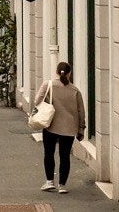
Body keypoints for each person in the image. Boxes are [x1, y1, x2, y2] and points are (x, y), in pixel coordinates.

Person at [35, 62, 86, 194]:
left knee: (49, 153)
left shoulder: (48, 85)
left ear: (56, 72)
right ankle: (62, 185)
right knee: (65, 156)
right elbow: (81, 111)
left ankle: (49, 182)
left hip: (50, 125)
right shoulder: (75, 90)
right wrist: (81, 129)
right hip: (69, 127)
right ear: (70, 73)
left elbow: (36, 101)